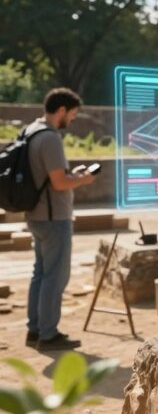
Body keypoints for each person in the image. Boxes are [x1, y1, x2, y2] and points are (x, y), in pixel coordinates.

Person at [25, 88, 96, 351]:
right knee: (55, 277)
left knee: (40, 274)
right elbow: (59, 181)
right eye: (73, 115)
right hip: (54, 217)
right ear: (62, 110)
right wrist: (84, 179)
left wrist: (71, 174)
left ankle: (34, 331)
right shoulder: (51, 138)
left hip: (36, 214)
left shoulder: (31, 130)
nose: (73, 120)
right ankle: (48, 334)